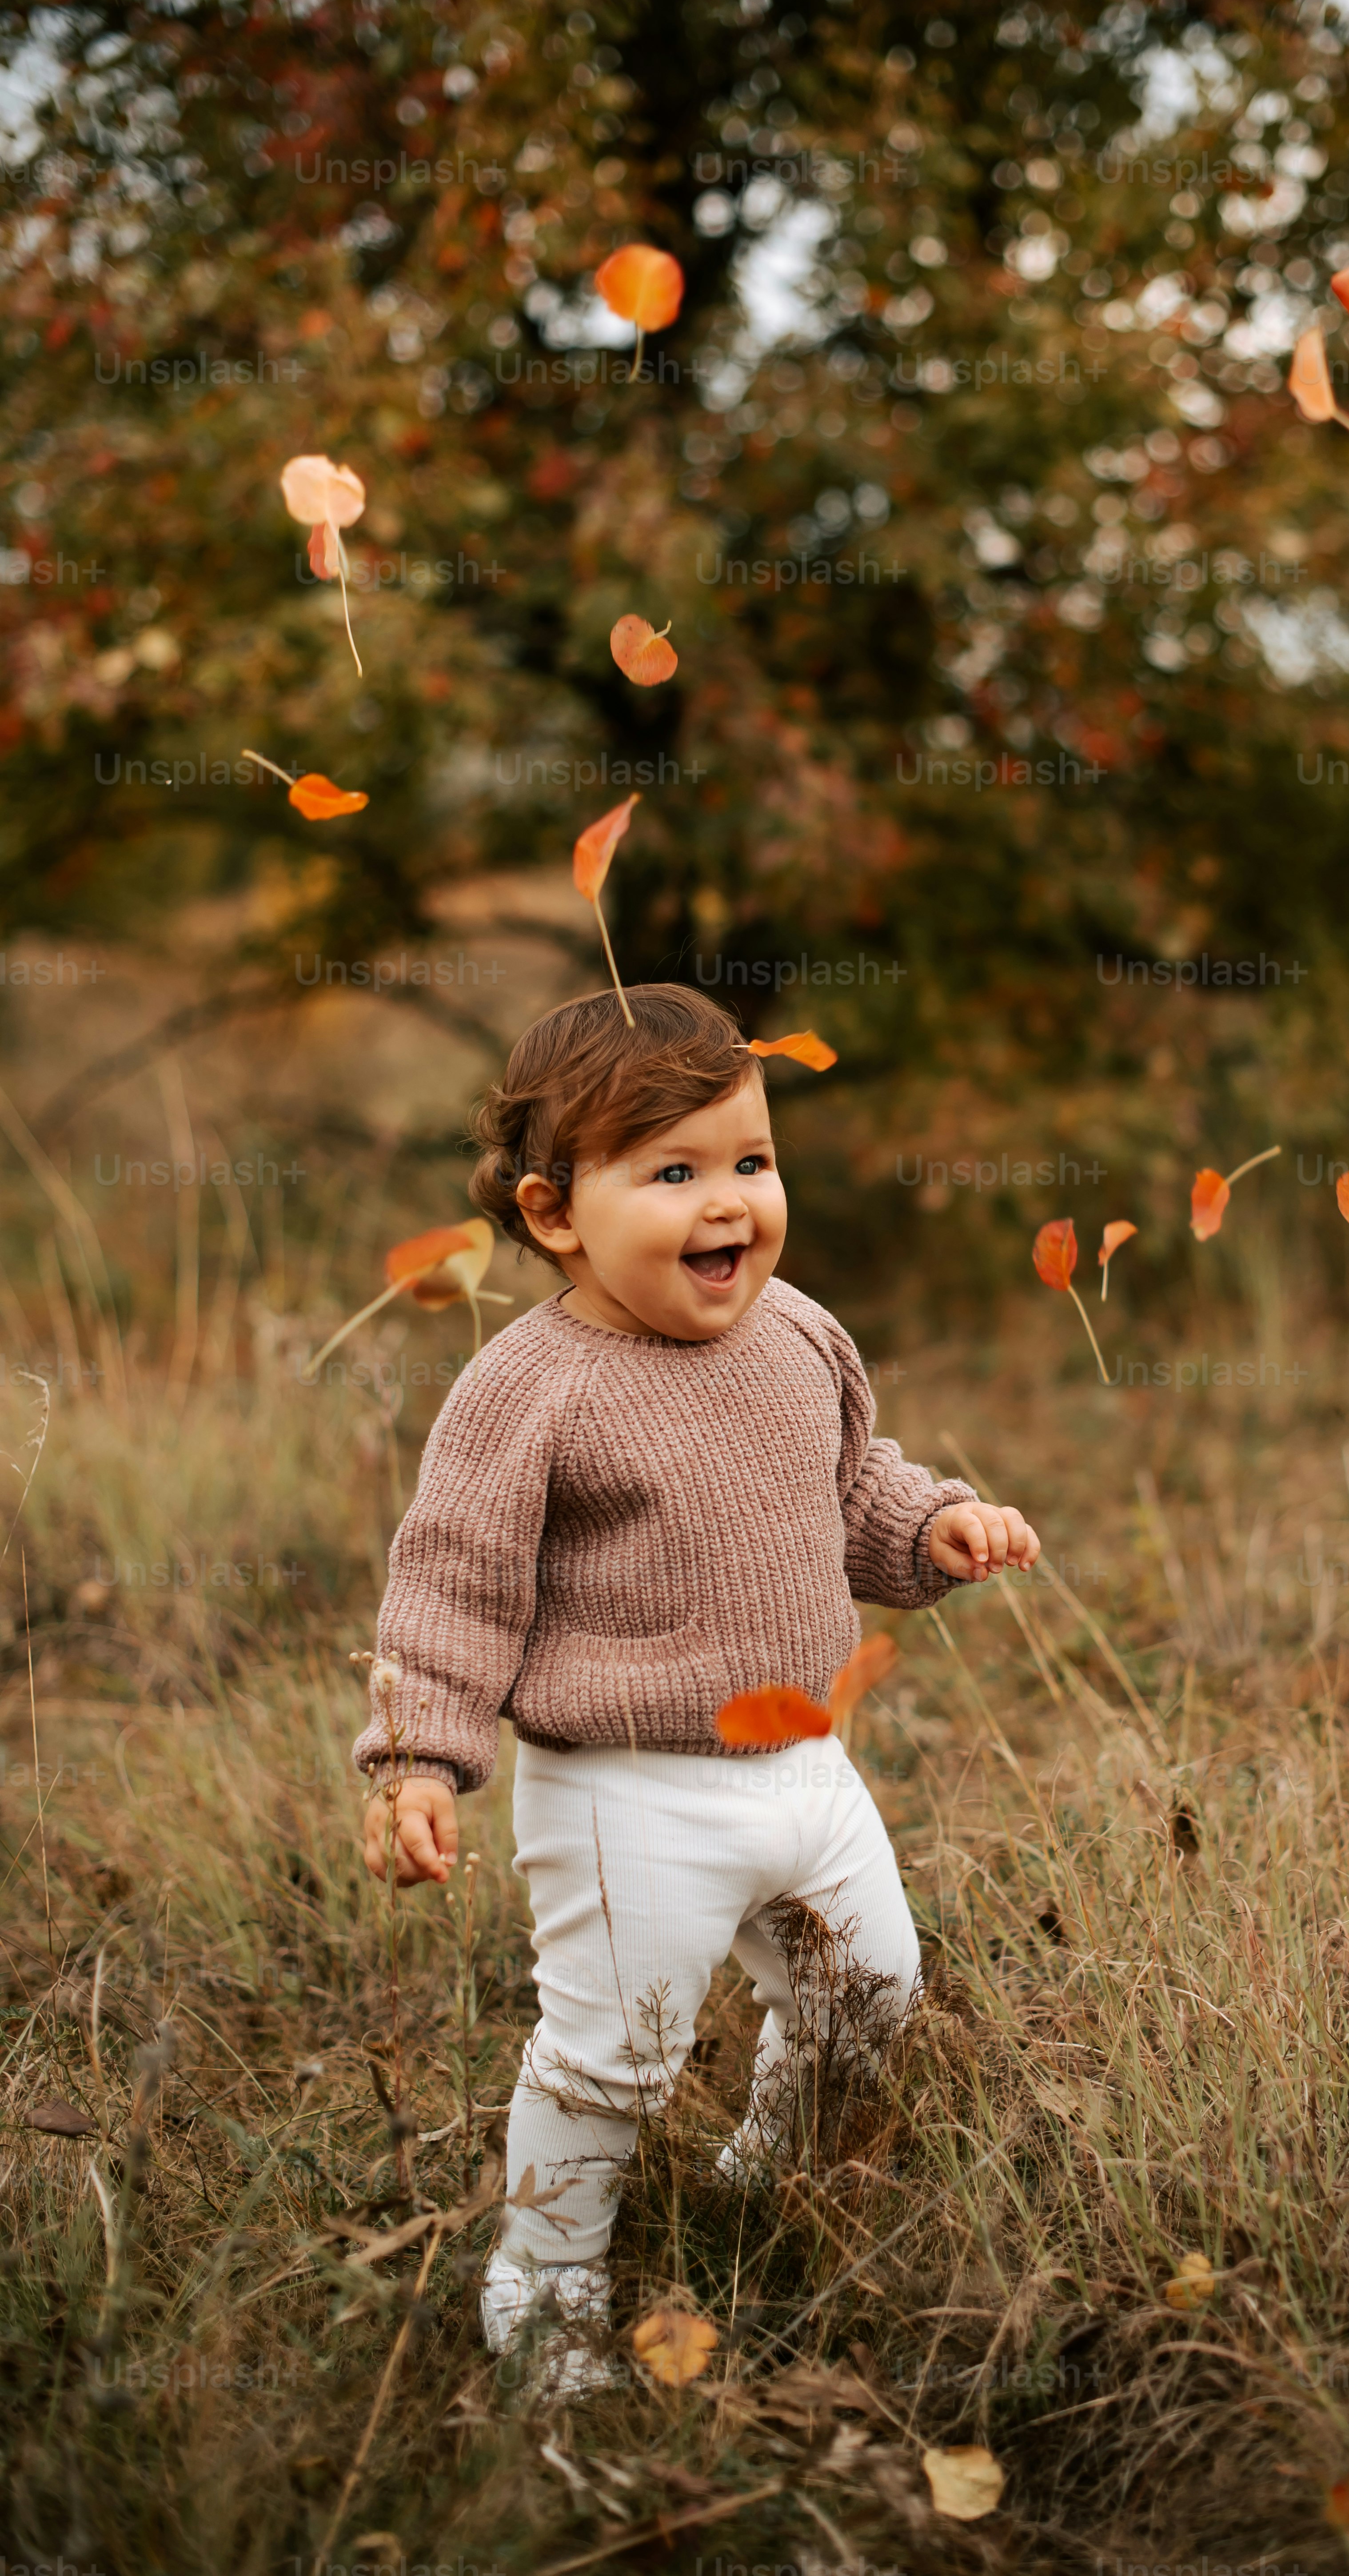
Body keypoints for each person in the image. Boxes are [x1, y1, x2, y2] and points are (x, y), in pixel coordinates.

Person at [353, 983, 1040, 2394]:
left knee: (872, 1990)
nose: (729, 1204)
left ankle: (761, 2177)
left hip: (804, 1762)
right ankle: (543, 2283)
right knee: (619, 2054)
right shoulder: (529, 1388)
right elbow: (454, 1582)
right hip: (627, 1790)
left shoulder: (797, 1333)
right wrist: (422, 1758)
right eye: (673, 1175)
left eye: (751, 1163)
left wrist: (928, 1529)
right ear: (556, 1214)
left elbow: (848, 1480)